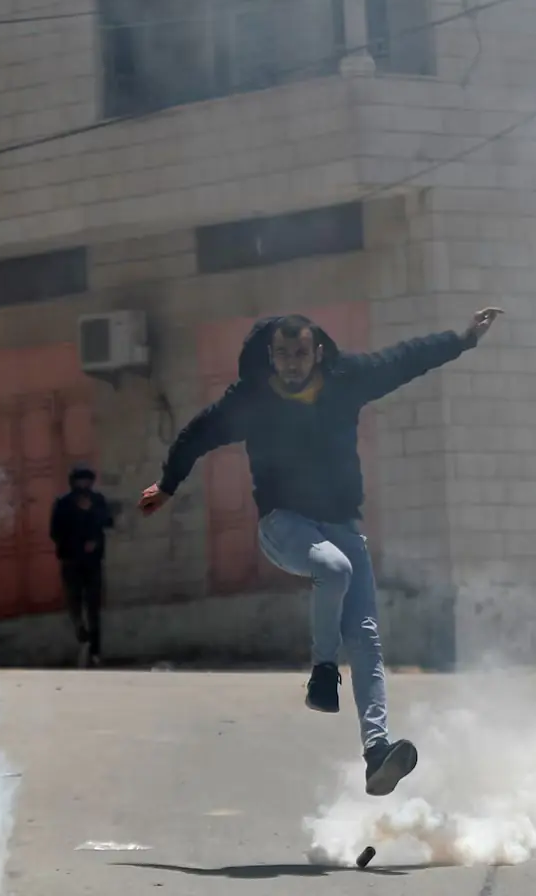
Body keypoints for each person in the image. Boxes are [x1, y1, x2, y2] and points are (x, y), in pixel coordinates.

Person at [139, 306, 502, 796]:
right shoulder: (252, 399)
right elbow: (197, 433)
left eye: (300, 353)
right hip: (284, 526)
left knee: (366, 637)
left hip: (343, 524)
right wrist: (167, 484)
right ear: (270, 355)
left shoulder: (347, 379)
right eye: (283, 355)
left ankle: (377, 751)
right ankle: (323, 672)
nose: (292, 364)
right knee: (333, 568)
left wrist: (462, 339)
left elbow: (403, 359)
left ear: (318, 352)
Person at [51, 464, 116, 668]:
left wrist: (94, 520)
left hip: (93, 563)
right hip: (71, 562)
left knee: (94, 608)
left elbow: (108, 522)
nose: (84, 485)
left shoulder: (97, 500)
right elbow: (55, 532)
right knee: (75, 606)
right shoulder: (63, 504)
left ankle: (95, 651)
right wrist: (77, 544)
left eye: (87, 481)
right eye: (80, 481)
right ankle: (82, 636)